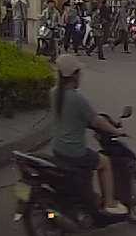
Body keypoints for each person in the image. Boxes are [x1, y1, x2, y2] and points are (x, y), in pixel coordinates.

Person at [50, 55, 129, 215]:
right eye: (79, 73)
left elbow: (72, 117)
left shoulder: (54, 93)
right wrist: (117, 131)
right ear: (74, 75)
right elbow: (97, 121)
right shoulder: (77, 98)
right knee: (105, 162)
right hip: (74, 152)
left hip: (58, 148)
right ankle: (109, 203)